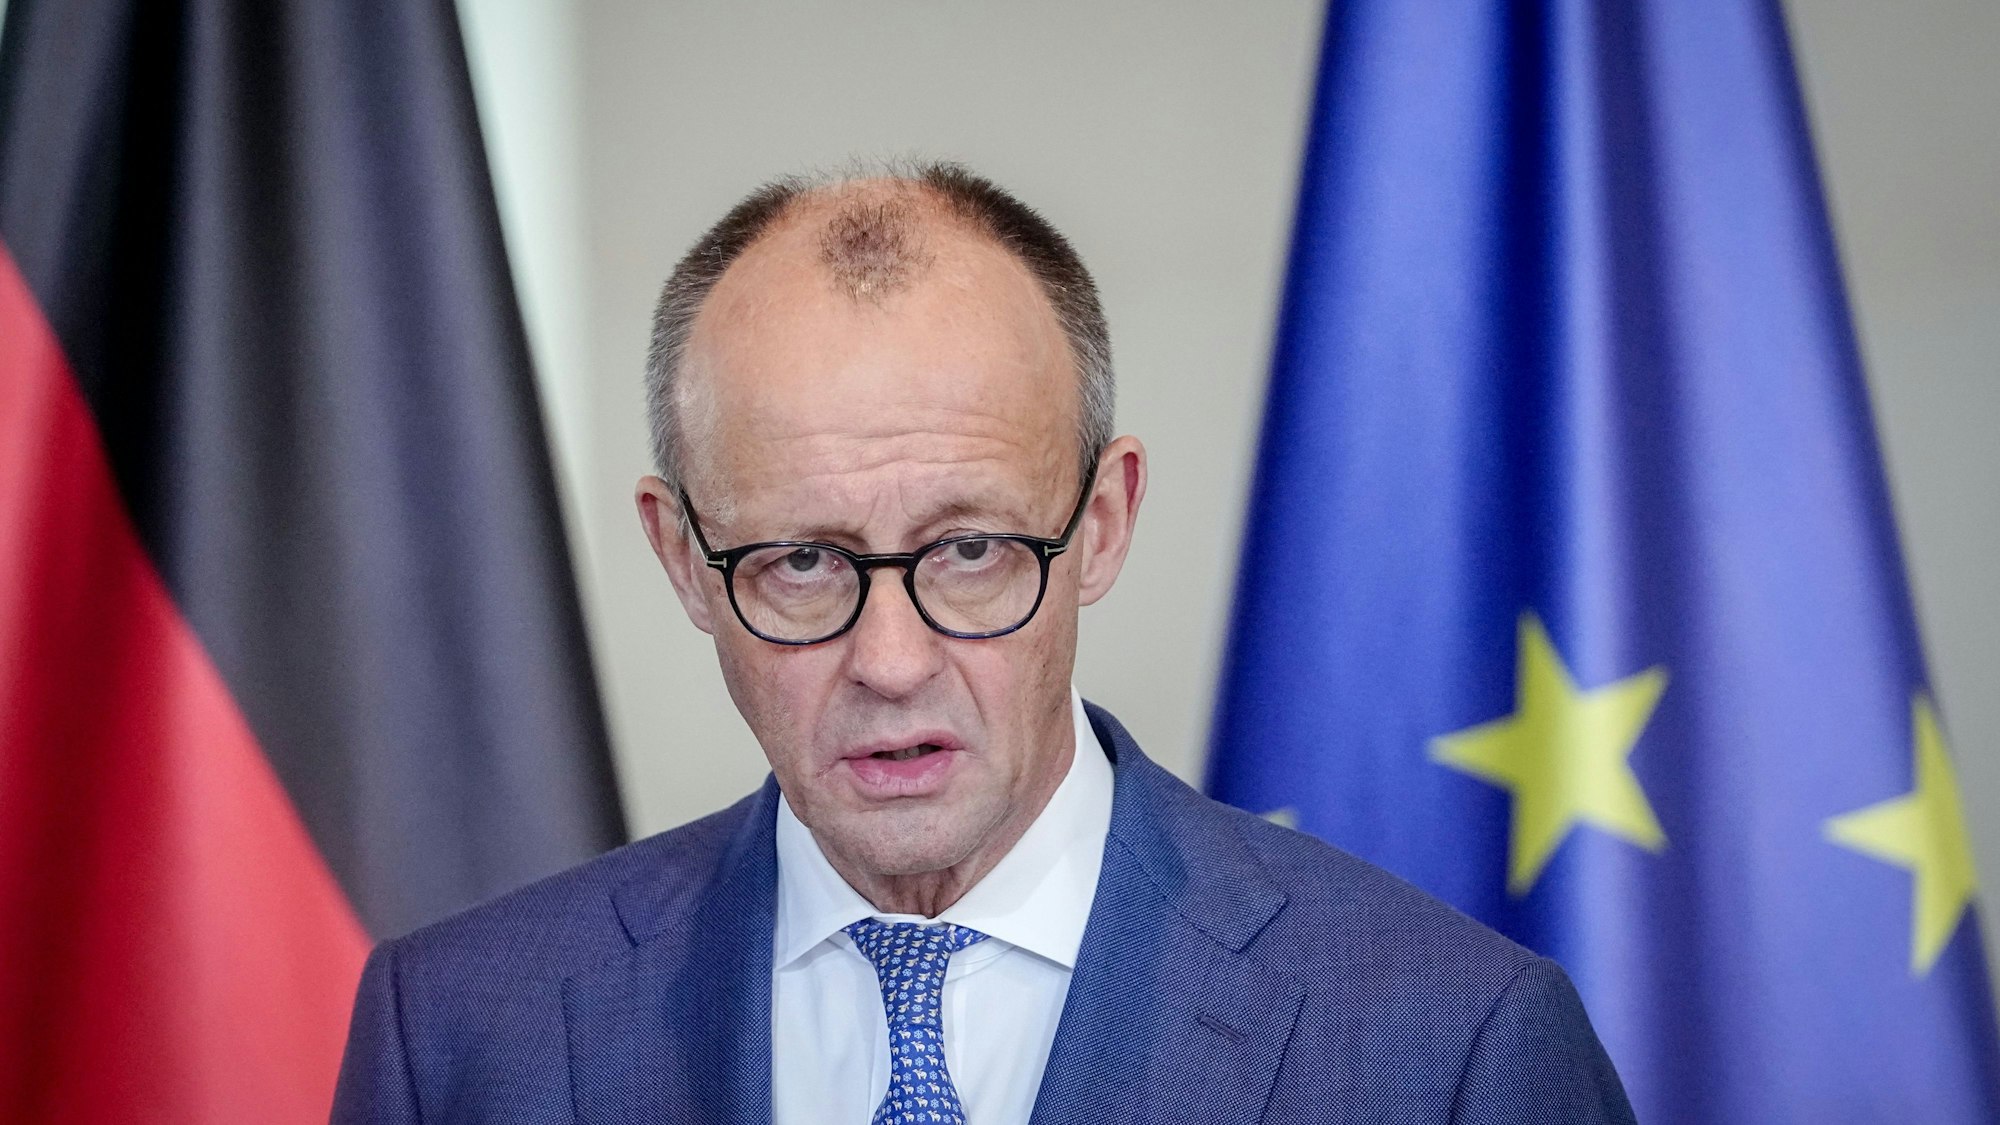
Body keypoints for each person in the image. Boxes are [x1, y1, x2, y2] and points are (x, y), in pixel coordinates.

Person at [331, 162, 1636, 1124]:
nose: (891, 659)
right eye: (800, 560)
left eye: (969, 551)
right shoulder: (457, 1040)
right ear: (684, 556)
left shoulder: (1450, 1049)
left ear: (1103, 521)